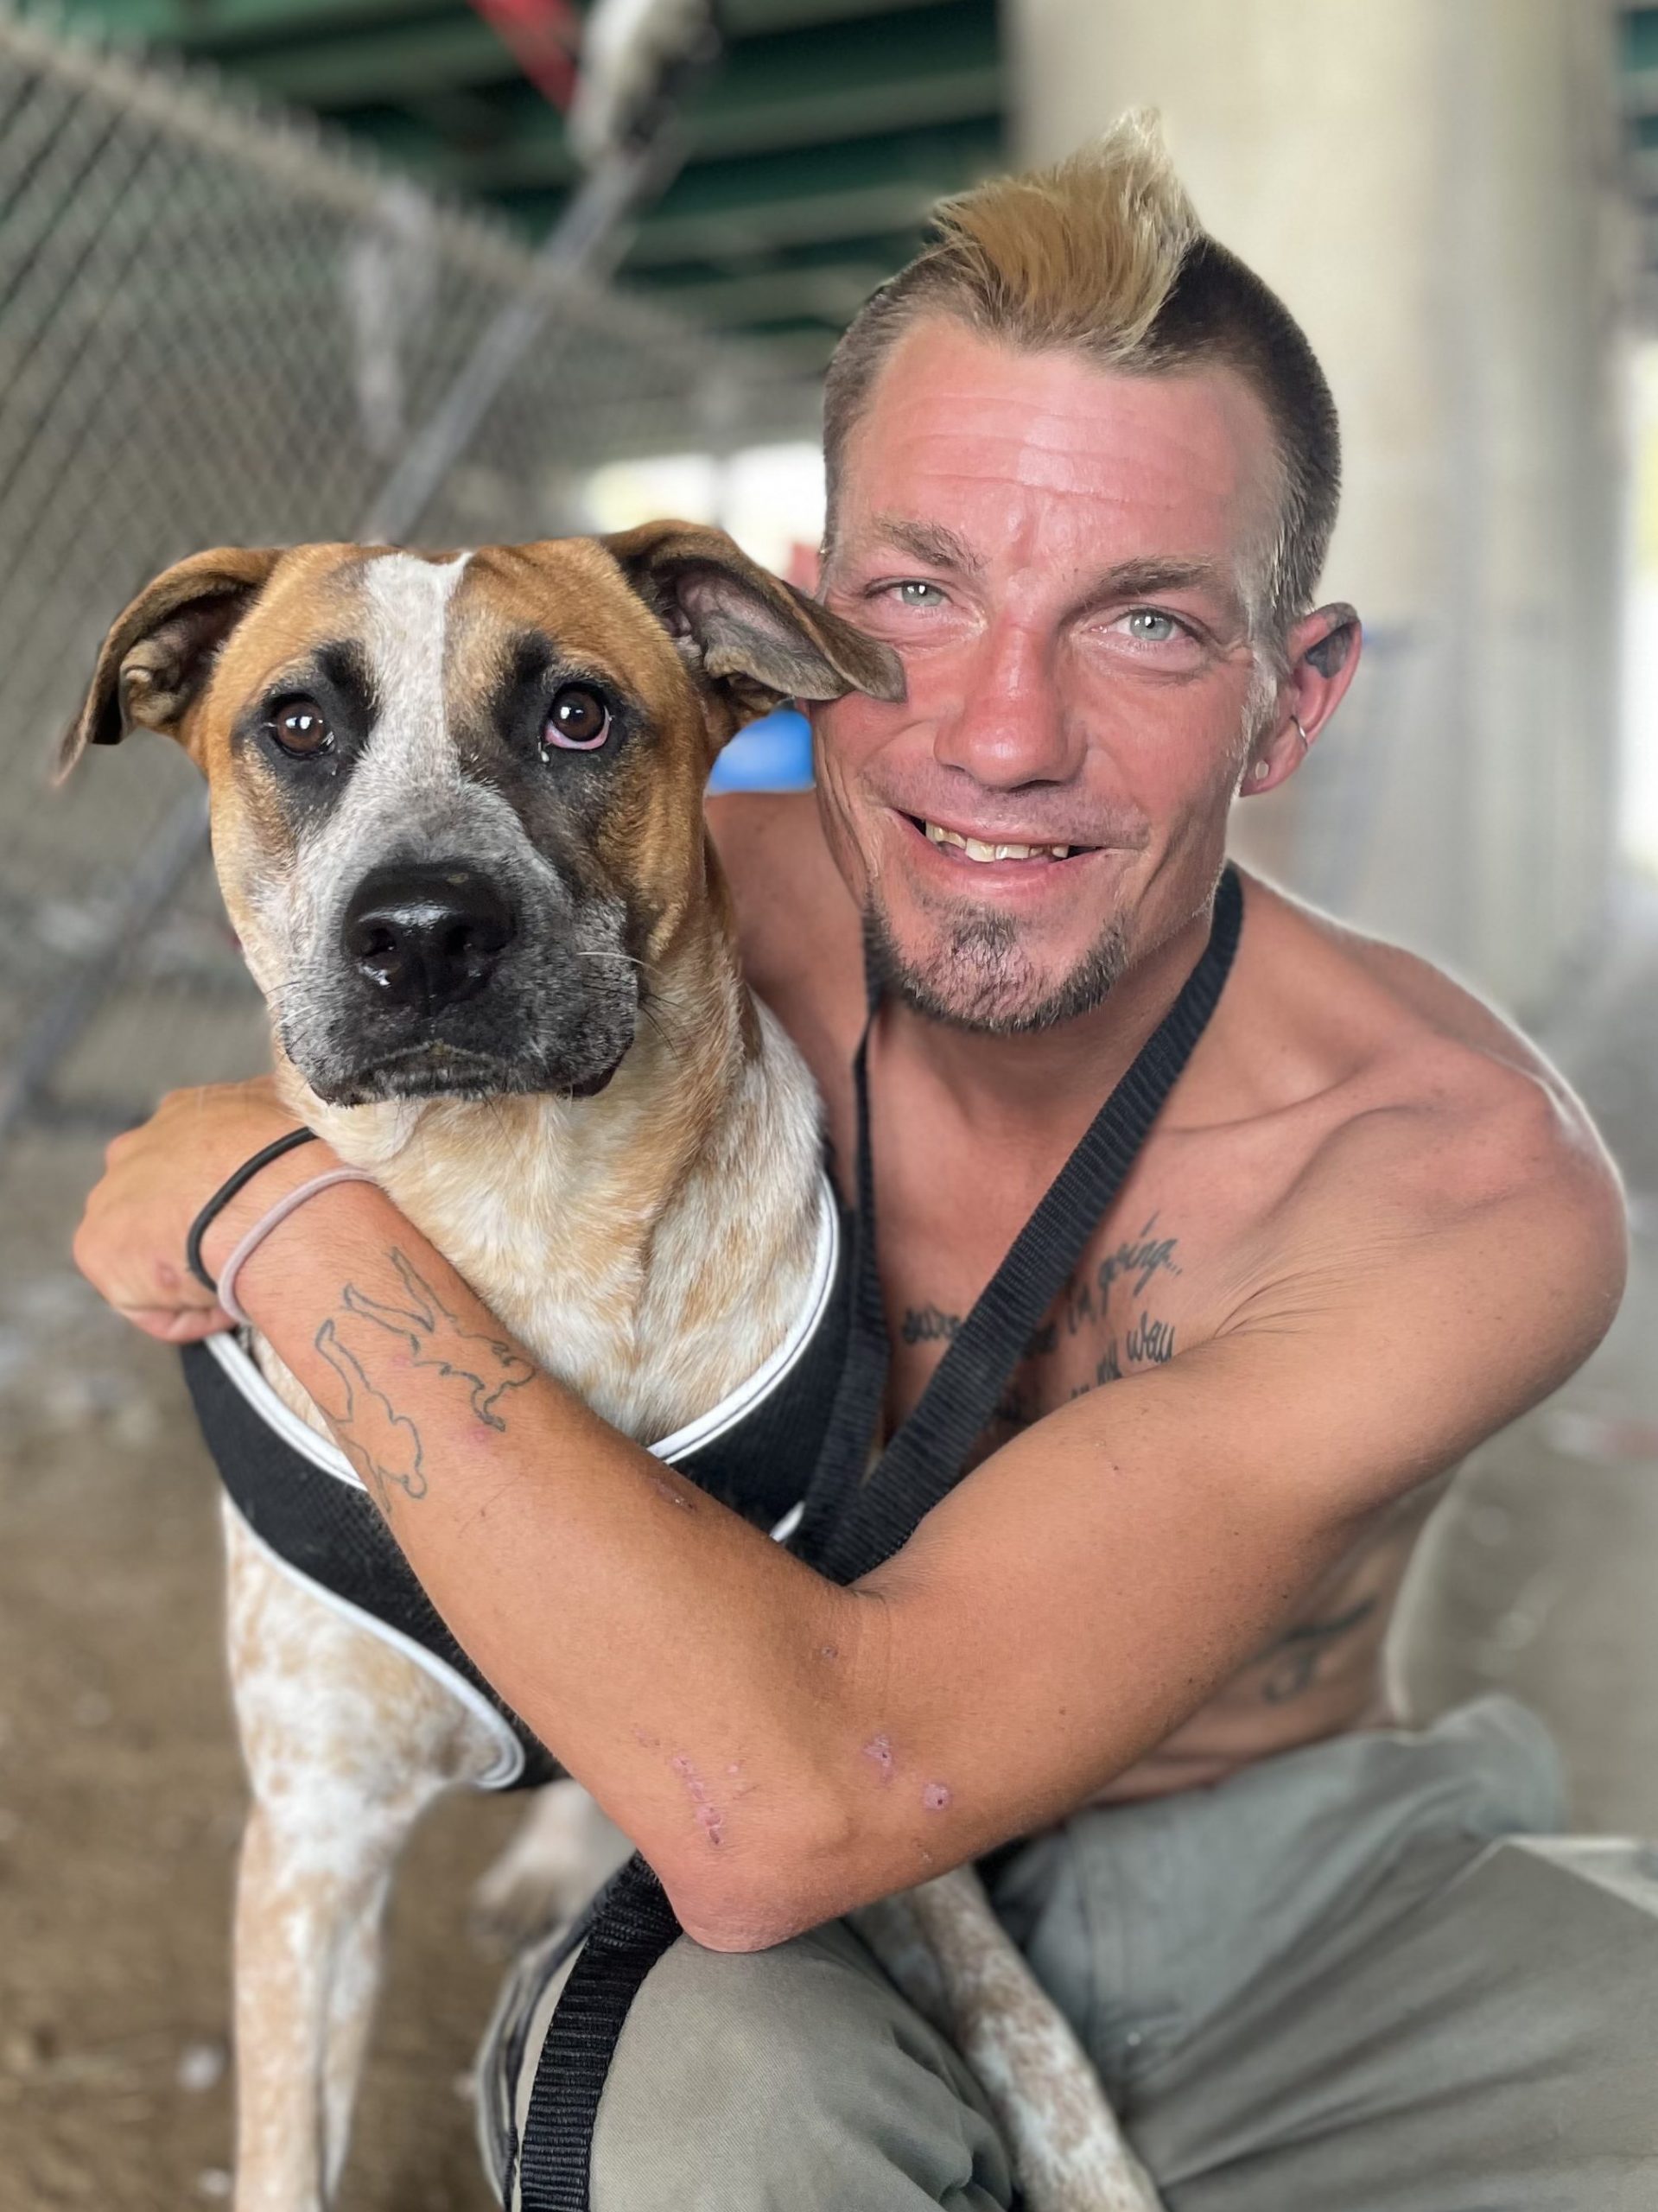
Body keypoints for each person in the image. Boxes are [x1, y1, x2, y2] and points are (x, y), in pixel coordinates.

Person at [74, 119, 1656, 2209]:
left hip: (1296, 1890)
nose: (1001, 734)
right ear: (793, 638)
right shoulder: (644, 917)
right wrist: (236, 1146)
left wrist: (261, 1209)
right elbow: (361, 960)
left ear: (1294, 701)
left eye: (1150, 624)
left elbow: (819, 1770)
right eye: (925, 593)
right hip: (772, 1934)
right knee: (711, 2115)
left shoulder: (1458, 1183)